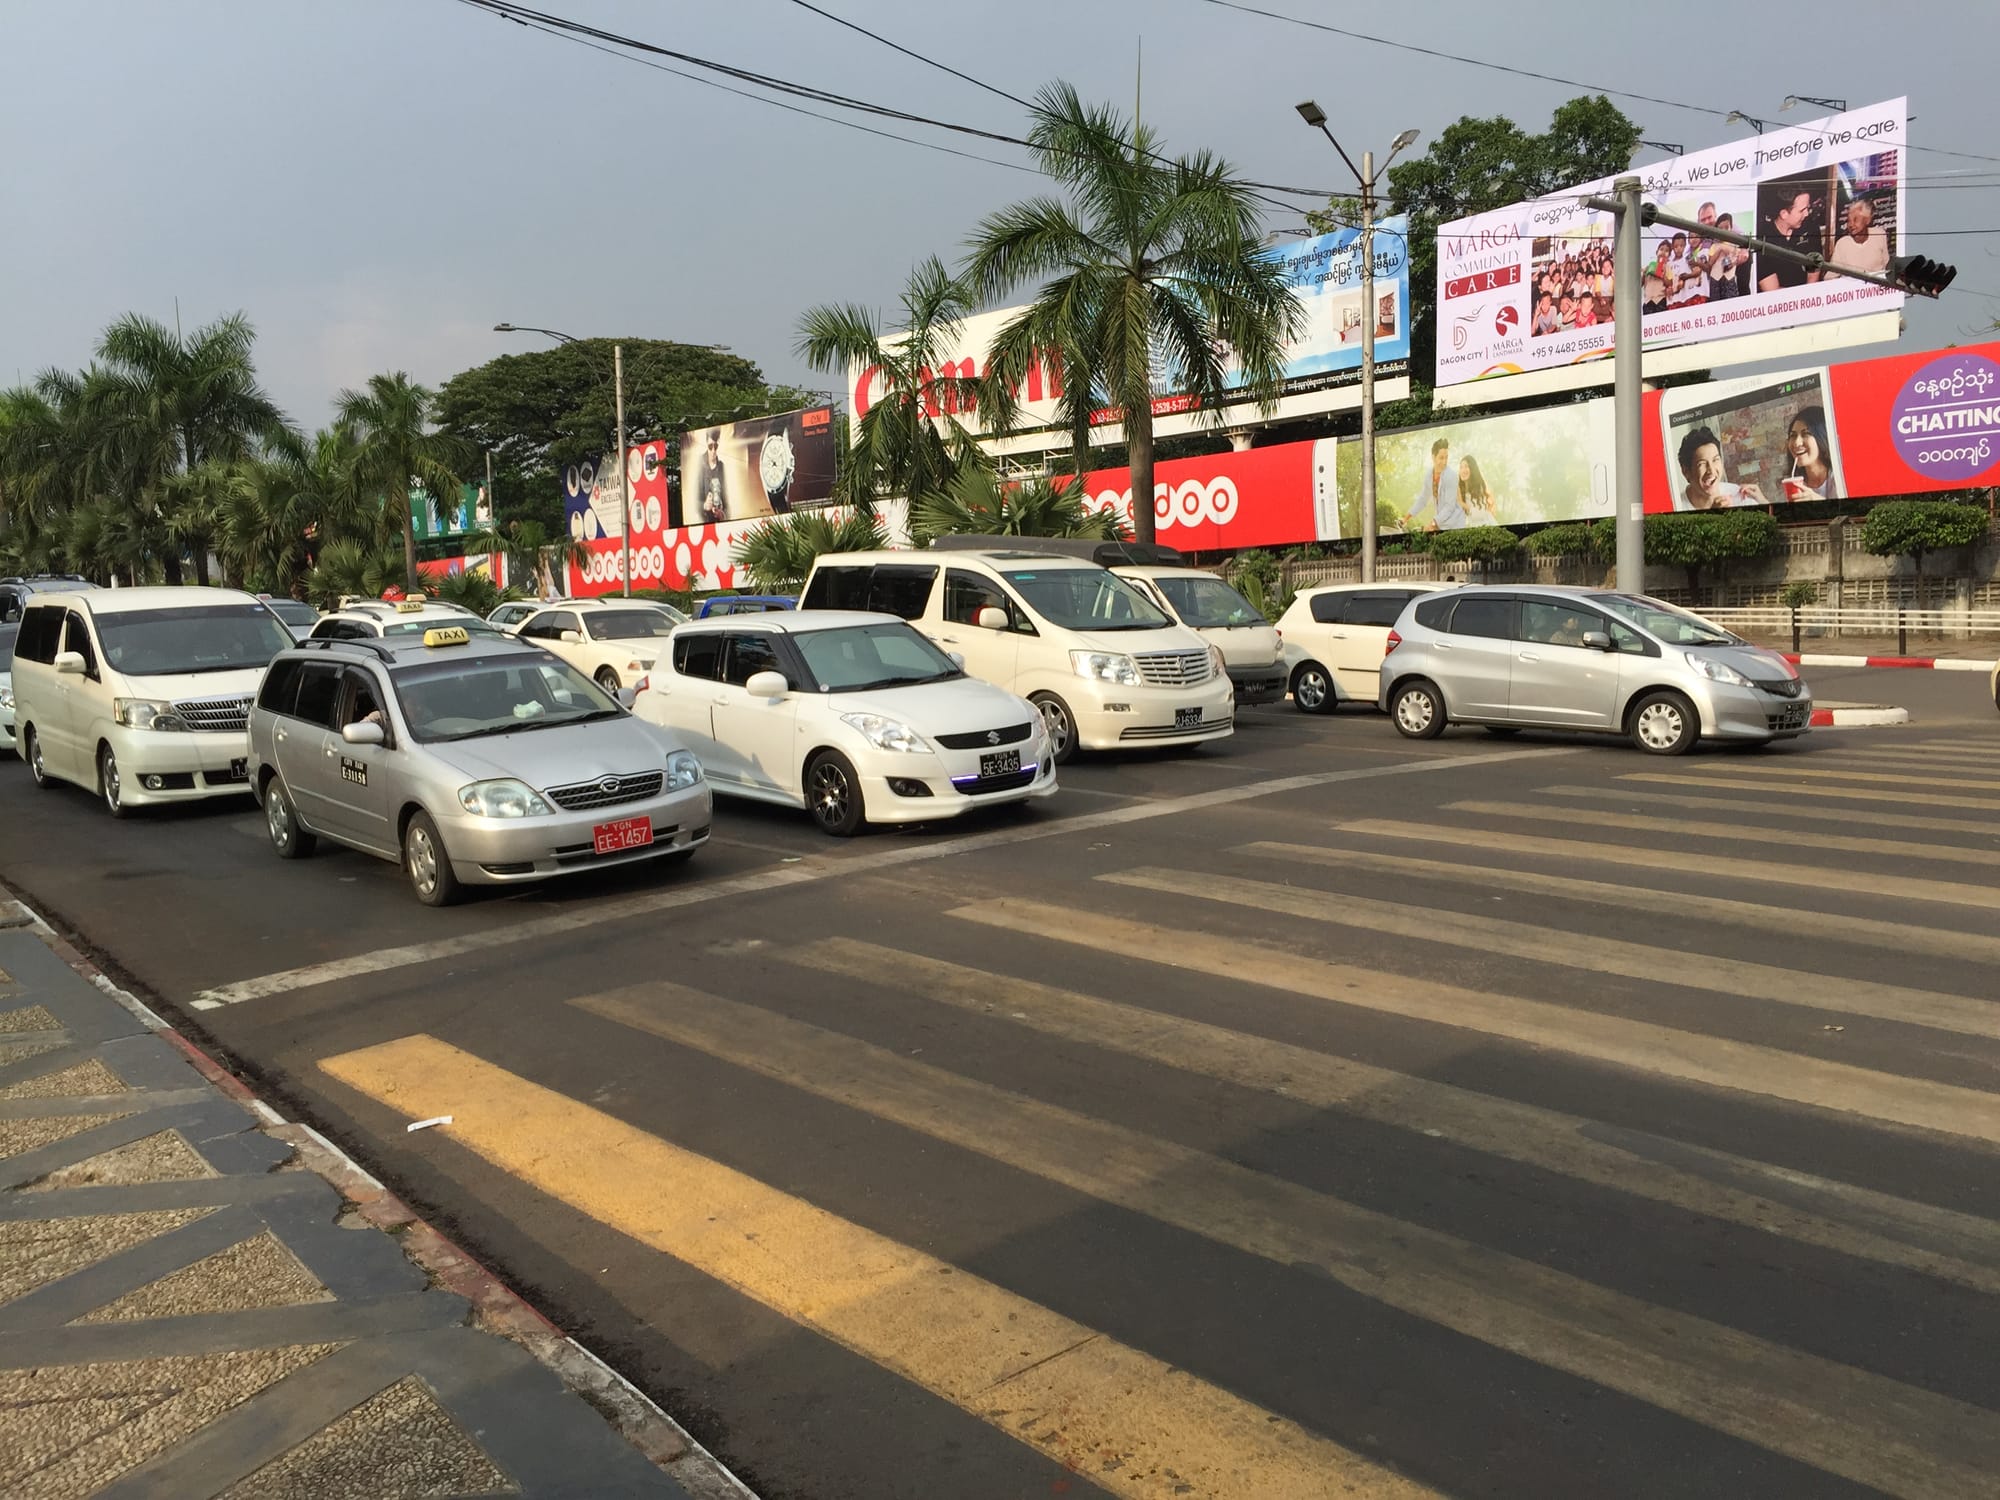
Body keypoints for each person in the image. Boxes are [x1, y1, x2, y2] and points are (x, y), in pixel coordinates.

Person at [1677, 426, 1768, 510]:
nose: (1711, 470)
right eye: (1702, 464)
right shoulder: (1677, 506)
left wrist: (1763, 502)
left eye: (1715, 460)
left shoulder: (1740, 496)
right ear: (1686, 471)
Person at [1759, 190, 1823, 292]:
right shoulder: (1762, 239)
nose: (1807, 214)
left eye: (1808, 208)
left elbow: (1814, 272)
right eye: (1802, 210)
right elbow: (1772, 290)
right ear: (1784, 214)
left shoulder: (1811, 228)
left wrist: (1808, 296)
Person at [1781, 405, 1840, 500]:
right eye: (1793, 435)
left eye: (1806, 434)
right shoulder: (1796, 481)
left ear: (1822, 437)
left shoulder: (1839, 478)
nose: (1797, 443)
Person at [1407, 437, 1465, 531]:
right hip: (1441, 523)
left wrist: (1433, 523)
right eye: (1441, 458)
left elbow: (1449, 506)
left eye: (1446, 457)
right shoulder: (1429, 475)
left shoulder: (1451, 476)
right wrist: (1406, 519)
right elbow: (1423, 499)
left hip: (1455, 524)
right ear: (1433, 457)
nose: (1444, 462)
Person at [1828, 198, 1891, 277]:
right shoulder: (1842, 244)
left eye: (1855, 220)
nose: (1851, 225)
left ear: (1867, 220)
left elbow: (1887, 266)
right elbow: (1831, 276)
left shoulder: (1879, 235)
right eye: (1849, 221)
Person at [695, 430, 729, 524]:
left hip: (720, 523)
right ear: (706, 443)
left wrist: (723, 514)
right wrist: (704, 505)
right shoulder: (698, 466)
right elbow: (690, 501)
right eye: (710, 446)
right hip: (702, 523)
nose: (713, 451)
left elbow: (728, 502)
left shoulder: (723, 468)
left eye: (716, 446)